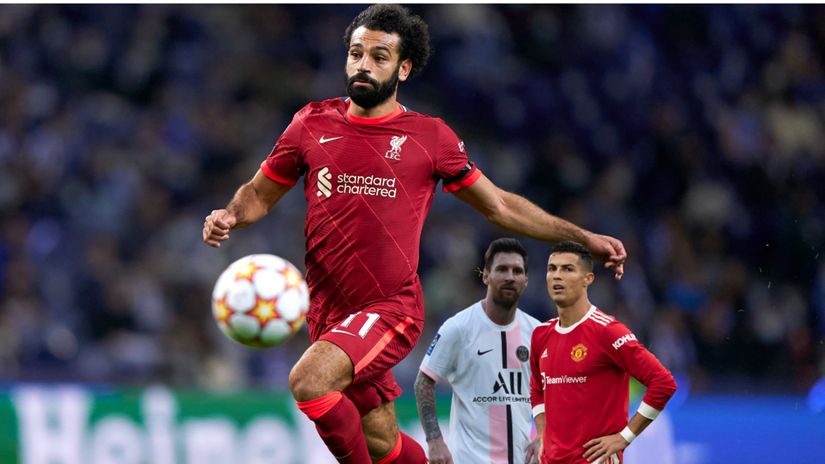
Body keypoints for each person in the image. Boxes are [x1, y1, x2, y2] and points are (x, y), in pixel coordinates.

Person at [202, 5, 627, 464]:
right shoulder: (312, 123)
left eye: (379, 57)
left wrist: (583, 238)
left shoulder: (429, 137)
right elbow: (260, 194)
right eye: (356, 53)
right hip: (329, 315)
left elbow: (500, 205)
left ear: (404, 68)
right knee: (380, 439)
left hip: (390, 309)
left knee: (308, 382)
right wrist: (231, 214)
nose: (363, 65)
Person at [528, 241, 677, 464]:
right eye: (552, 269)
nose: (557, 276)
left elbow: (663, 382)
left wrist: (624, 437)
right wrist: (541, 432)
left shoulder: (608, 331)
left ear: (588, 279)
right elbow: (537, 388)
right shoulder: (541, 334)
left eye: (567, 269)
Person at [414, 238, 542, 464]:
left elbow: (554, 389)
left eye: (517, 271)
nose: (510, 277)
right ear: (486, 276)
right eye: (502, 269)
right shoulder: (459, 328)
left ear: (526, 280)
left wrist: (544, 433)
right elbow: (423, 382)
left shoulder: (537, 333)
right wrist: (435, 442)